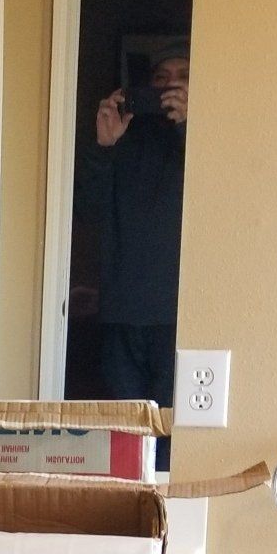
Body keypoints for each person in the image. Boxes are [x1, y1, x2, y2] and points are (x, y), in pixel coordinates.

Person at [77, 42, 190, 413]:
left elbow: (219, 196)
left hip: (181, 310)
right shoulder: (127, 136)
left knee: (177, 423)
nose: (170, 88)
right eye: (161, 80)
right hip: (122, 307)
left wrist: (189, 126)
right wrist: (104, 145)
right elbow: (87, 207)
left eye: (183, 78)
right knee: (124, 424)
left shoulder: (212, 139)